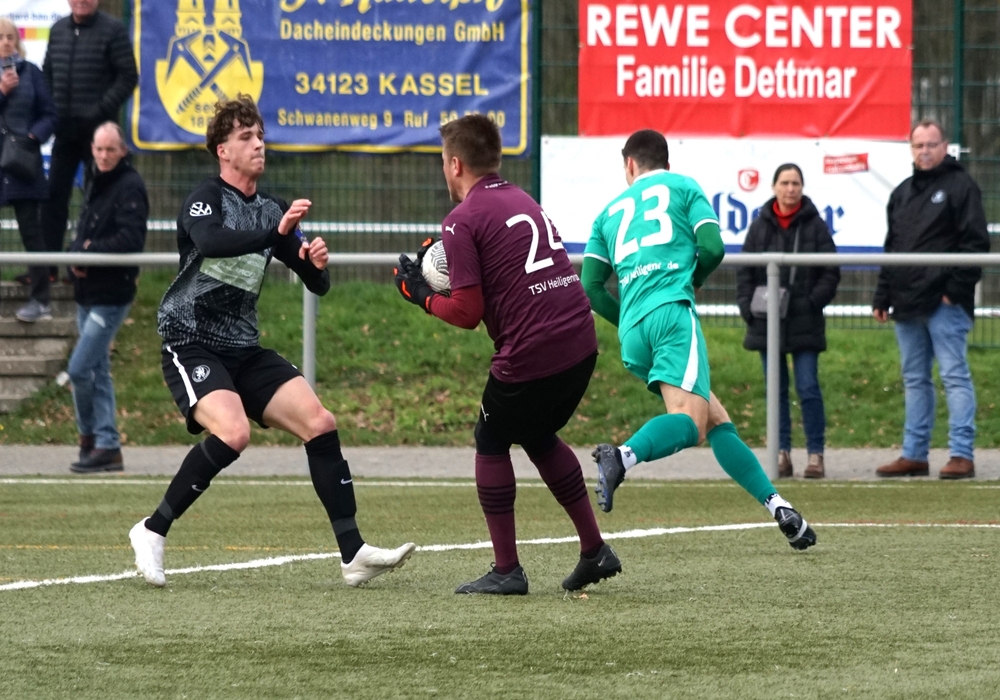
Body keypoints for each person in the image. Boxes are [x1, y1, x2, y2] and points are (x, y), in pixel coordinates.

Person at [128, 95, 415, 588]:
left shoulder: (271, 209)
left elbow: (316, 283)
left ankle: (353, 554)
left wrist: (313, 262)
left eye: (260, 135)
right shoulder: (204, 199)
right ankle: (152, 530)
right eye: (246, 137)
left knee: (320, 423)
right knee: (233, 433)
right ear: (223, 151)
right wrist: (274, 232)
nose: (258, 144)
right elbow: (213, 242)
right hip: (190, 342)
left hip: (244, 348)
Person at [393, 114, 620, 595]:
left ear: (455, 164)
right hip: (580, 340)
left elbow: (467, 313)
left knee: (491, 436)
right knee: (536, 433)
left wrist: (421, 295)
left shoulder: (461, 219)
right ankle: (594, 549)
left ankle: (507, 569)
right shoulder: (521, 199)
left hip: (535, 348)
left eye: (443, 161)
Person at [582, 129, 816, 550]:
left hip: (633, 333)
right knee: (690, 422)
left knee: (714, 420)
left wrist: (629, 318)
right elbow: (712, 247)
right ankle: (623, 456)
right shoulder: (683, 186)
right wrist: (694, 279)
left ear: (629, 164)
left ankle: (778, 506)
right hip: (672, 315)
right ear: (666, 163)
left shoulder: (607, 213)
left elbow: (591, 286)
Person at [873, 119, 990, 480]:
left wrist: (953, 291)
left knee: (954, 376)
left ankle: (961, 454)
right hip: (906, 303)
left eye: (931, 144)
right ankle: (914, 454)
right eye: (918, 145)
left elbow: (975, 244)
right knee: (914, 380)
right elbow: (893, 248)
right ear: (911, 149)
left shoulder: (961, 186)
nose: (924, 151)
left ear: (944, 147)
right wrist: (883, 294)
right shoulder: (902, 193)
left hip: (944, 305)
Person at [735, 164, 840, 479]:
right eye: (784, 183)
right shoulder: (759, 227)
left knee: (808, 388)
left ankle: (815, 454)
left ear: (802, 187)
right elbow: (744, 272)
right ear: (774, 186)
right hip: (767, 323)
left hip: (805, 322)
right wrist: (748, 308)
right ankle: (780, 454)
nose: (790, 189)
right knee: (775, 391)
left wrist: (811, 303)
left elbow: (830, 271)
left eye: (796, 183)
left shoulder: (816, 226)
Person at [37, 0, 136, 302]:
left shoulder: (113, 29)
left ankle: (90, 266)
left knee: (98, 202)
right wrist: (51, 109)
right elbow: (47, 73)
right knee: (53, 198)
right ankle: (48, 269)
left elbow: (128, 76)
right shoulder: (57, 30)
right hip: (64, 132)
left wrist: (100, 110)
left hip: (98, 135)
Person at [65, 122, 146, 473]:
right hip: (86, 292)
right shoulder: (94, 179)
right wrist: (75, 259)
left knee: (79, 369)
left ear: (123, 150)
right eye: (99, 149)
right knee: (97, 369)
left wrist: (88, 252)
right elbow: (81, 233)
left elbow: (130, 239)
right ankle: (106, 445)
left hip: (111, 294)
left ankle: (93, 438)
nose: (103, 155)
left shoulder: (130, 186)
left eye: (110, 149)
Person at [0, 17, 57, 322]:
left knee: (32, 234)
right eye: (0, 37)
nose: (5, 42)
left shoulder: (31, 72)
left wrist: (34, 137)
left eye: (10, 37)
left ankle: (40, 299)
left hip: (22, 164)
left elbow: (50, 114)